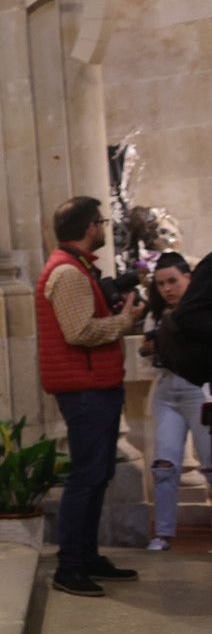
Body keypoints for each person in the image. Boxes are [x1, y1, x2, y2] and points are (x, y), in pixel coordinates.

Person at [34, 196, 147, 597]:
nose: (103, 228)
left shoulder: (78, 269)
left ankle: (86, 556)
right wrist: (125, 320)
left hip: (94, 386)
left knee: (98, 474)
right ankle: (69, 567)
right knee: (86, 476)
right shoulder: (67, 273)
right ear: (89, 227)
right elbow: (78, 332)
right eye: (100, 222)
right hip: (84, 390)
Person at [141, 252, 210, 551]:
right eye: (160, 284)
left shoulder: (201, 310)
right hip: (167, 389)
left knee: (210, 462)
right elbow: (148, 359)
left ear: (189, 279)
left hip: (199, 388)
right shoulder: (154, 316)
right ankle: (163, 533)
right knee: (164, 464)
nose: (167, 289)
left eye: (173, 281)